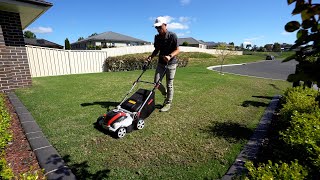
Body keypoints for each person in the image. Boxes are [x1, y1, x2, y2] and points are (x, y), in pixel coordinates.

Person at [147, 16, 180, 112]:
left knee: (169, 84)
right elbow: (157, 49)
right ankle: (165, 92)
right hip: (161, 63)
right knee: (156, 82)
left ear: (165, 25)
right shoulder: (157, 37)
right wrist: (151, 56)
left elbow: (177, 50)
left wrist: (170, 56)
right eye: (156, 27)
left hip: (171, 64)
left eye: (159, 27)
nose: (158, 29)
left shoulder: (172, 36)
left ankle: (168, 103)